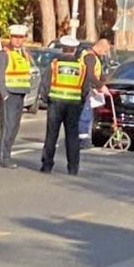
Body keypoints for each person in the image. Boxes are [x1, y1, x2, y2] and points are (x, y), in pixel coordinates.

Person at [40, 36, 85, 175]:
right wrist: (80, 101)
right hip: (73, 104)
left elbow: (45, 83)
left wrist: (46, 99)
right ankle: (73, 168)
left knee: (51, 135)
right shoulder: (81, 67)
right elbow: (85, 87)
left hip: (55, 103)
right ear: (75, 50)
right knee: (72, 137)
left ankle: (47, 165)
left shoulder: (54, 65)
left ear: (62, 49)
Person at [0, 25, 31, 168]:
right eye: (15, 37)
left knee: (14, 127)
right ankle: (3, 158)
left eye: (20, 37)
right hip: (9, 94)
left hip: (20, 94)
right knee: (7, 127)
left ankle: (5, 156)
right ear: (10, 37)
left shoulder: (24, 54)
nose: (17, 40)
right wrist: (4, 95)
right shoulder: (4, 54)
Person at [77, 38, 111, 147]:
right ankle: (83, 140)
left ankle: (81, 138)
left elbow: (98, 74)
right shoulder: (90, 57)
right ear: (100, 48)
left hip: (87, 88)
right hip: (84, 89)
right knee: (85, 114)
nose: (105, 54)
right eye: (105, 51)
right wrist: (101, 86)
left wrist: (102, 81)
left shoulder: (92, 56)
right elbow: (90, 75)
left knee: (86, 113)